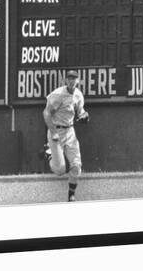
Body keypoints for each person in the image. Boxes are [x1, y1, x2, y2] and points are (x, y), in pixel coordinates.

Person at [42, 70, 89, 202]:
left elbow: (81, 112)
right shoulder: (58, 95)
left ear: (78, 80)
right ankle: (49, 153)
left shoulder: (78, 95)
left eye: (74, 78)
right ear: (66, 80)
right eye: (69, 78)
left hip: (70, 132)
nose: (71, 80)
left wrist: (84, 116)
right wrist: (53, 132)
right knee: (60, 170)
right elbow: (46, 113)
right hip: (55, 131)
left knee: (76, 165)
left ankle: (71, 195)